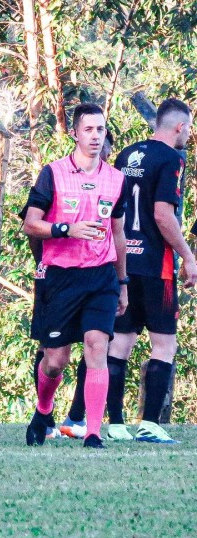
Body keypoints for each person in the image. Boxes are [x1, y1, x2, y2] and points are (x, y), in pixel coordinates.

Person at [23, 103, 128, 449]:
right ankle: (43, 410)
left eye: (101, 130)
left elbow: (118, 233)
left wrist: (123, 282)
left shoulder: (116, 179)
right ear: (75, 133)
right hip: (61, 277)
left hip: (101, 277)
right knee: (56, 360)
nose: (96, 136)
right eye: (89, 130)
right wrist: (67, 229)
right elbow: (31, 224)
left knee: (98, 346)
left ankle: (94, 433)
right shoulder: (52, 173)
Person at [100, 98, 195, 443]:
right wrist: (188, 256)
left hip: (123, 261)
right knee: (164, 344)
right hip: (157, 265)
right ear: (180, 127)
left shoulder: (127, 155)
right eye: (190, 127)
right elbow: (162, 215)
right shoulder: (172, 158)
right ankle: (151, 424)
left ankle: (116, 423)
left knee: (120, 343)